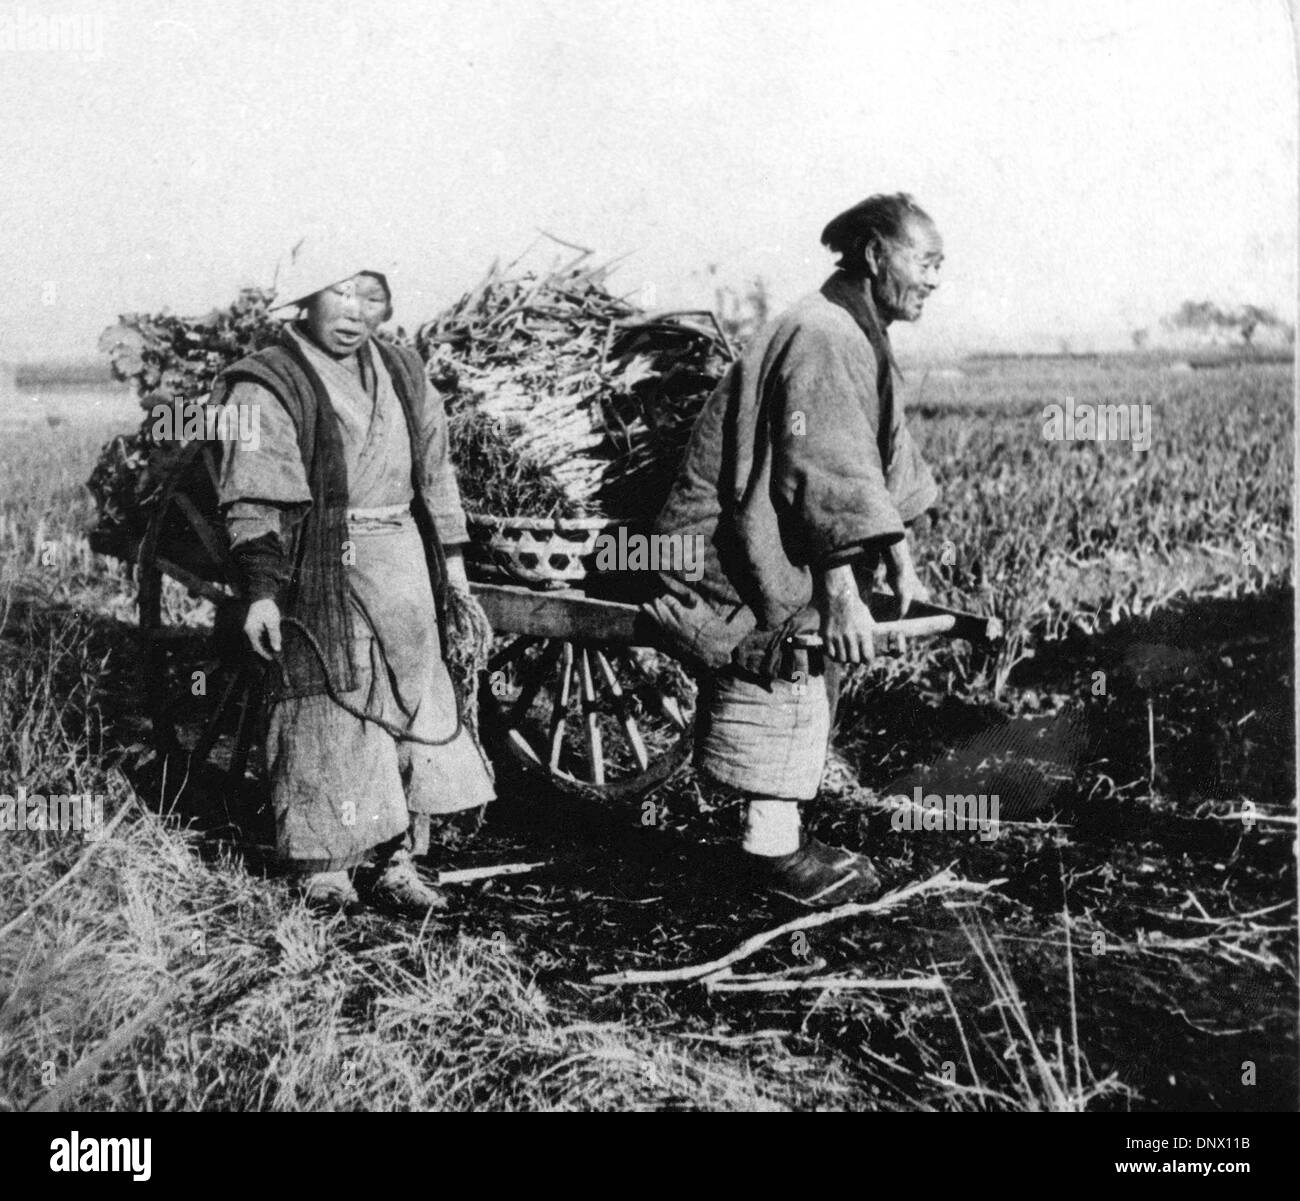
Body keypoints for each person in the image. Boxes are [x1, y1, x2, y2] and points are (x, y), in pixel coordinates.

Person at [645, 193, 943, 907]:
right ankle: (771, 849)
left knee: (812, 615)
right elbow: (818, 469)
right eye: (925, 261)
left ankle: (778, 831)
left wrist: (895, 550)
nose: (935, 279)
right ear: (876, 255)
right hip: (723, 546)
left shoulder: (855, 330)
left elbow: (878, 460)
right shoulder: (826, 332)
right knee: (794, 631)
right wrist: (840, 593)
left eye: (942, 265)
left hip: (777, 529)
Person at [213, 238, 495, 913]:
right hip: (321, 559)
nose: (354, 312)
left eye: (370, 296)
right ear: (306, 300)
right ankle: (326, 864)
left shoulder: (401, 368)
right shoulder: (267, 381)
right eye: (338, 294)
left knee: (407, 694)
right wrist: (261, 593)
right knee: (332, 698)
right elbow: (258, 489)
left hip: (401, 555)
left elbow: (435, 469)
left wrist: (454, 575)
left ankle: (397, 856)